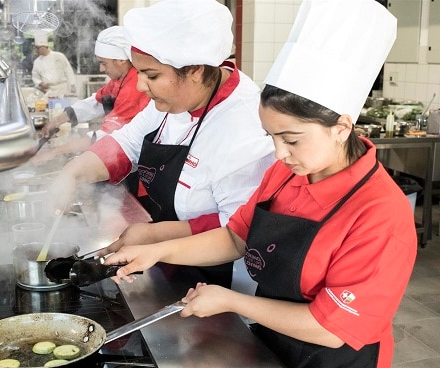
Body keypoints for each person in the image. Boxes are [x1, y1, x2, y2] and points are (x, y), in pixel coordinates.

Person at [104, 1, 417, 367]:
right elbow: (235, 237)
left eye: (292, 139)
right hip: (273, 342)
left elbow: (333, 328)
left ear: (342, 128)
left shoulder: (380, 213)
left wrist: (231, 300)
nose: (279, 154)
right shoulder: (287, 173)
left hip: (336, 356)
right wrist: (158, 251)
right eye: (271, 137)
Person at [50, 0, 276, 289]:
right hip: (170, 260)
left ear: (194, 69)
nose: (142, 86)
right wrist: (73, 172)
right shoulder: (174, 98)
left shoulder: (242, 127)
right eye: (140, 72)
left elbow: (235, 232)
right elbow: (126, 142)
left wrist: (155, 236)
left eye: (151, 75)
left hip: (220, 279)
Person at [33, 26, 150, 165]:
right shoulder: (120, 79)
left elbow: (107, 136)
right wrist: (57, 120)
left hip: (138, 158)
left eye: (103, 63)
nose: (101, 69)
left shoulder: (135, 86)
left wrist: (55, 151)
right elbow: (97, 102)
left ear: (121, 60)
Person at [31, 34, 76, 98]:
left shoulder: (59, 56)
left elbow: (68, 70)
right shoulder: (37, 62)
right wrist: (41, 83)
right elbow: (35, 77)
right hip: (49, 91)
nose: (36, 50)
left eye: (37, 48)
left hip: (63, 89)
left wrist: (72, 85)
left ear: (44, 47)